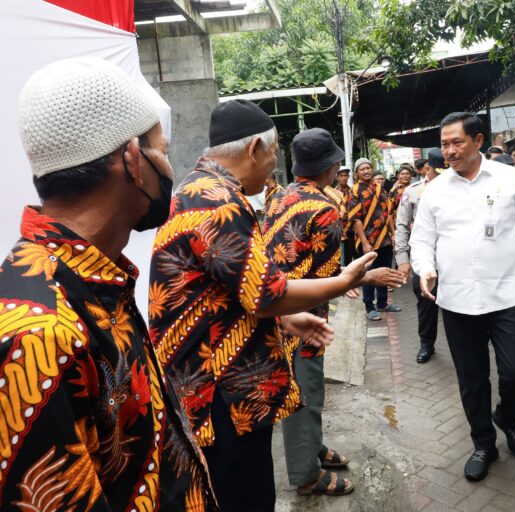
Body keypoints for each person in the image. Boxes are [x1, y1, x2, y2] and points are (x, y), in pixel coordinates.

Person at [0, 57, 217, 510]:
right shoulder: (40, 333)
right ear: (134, 161)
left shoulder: (93, 280)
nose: (169, 167)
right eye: (162, 150)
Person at [149, 100, 377, 511]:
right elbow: (265, 292)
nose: (274, 166)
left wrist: (284, 317)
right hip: (223, 391)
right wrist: (346, 281)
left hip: (210, 382)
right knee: (245, 496)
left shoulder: (197, 191)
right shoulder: (219, 202)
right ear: (254, 149)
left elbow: (231, 284)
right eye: (273, 154)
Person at [264, 128, 406, 497]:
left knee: (303, 388)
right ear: (330, 168)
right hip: (304, 316)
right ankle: (307, 475)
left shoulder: (278, 198)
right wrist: (367, 276)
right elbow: (331, 280)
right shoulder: (325, 209)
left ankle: (313, 447)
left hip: (278, 309)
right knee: (305, 391)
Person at [410, 112, 515, 482]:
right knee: (472, 379)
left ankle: (508, 418)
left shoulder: (509, 179)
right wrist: (425, 267)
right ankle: (484, 444)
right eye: (444, 144)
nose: (449, 151)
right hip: (457, 301)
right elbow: (421, 240)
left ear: (477, 141)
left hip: (507, 296)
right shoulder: (435, 190)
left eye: (456, 142)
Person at [395, 148, 445, 363]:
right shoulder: (413, 192)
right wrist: (403, 260)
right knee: (426, 305)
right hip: (424, 259)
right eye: (438, 172)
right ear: (427, 169)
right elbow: (401, 226)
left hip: (451, 261)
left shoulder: (458, 189)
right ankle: (427, 343)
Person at [348, 158, 401, 321]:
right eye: (362, 169)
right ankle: (369, 307)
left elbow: (388, 213)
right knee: (368, 273)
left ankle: (383, 303)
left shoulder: (379, 188)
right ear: (357, 173)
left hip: (384, 238)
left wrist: (393, 234)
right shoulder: (354, 191)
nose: (366, 171)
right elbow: (355, 219)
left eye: (368, 168)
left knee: (385, 270)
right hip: (367, 240)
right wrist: (365, 242)